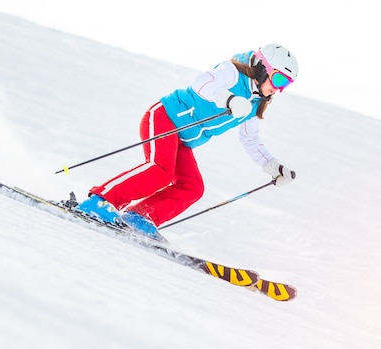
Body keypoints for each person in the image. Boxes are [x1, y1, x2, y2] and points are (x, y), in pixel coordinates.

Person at [76, 43, 298, 239]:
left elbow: (250, 139)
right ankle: (100, 202)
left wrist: (272, 166)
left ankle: (140, 217)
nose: (278, 89)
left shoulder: (255, 103)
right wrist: (228, 99)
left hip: (181, 140)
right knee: (160, 170)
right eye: (278, 79)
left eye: (285, 85)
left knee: (192, 187)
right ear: (262, 68)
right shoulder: (232, 72)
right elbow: (201, 84)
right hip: (164, 117)